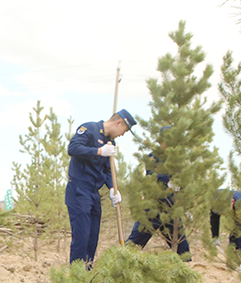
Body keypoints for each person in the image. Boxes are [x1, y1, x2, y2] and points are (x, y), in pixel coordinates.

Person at [64, 109, 136, 266]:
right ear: (118, 123)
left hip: (94, 193)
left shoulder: (110, 143)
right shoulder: (89, 129)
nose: (122, 135)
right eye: (124, 130)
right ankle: (76, 279)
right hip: (79, 190)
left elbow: (106, 169)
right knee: (81, 237)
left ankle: (87, 275)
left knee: (92, 238)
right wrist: (98, 151)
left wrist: (112, 188)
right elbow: (73, 149)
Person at [125, 129, 191, 259]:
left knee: (182, 248)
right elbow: (154, 177)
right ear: (160, 141)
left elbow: (185, 180)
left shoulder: (179, 160)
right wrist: (169, 182)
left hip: (171, 209)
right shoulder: (152, 157)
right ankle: (122, 264)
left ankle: (186, 270)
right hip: (152, 208)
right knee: (134, 244)